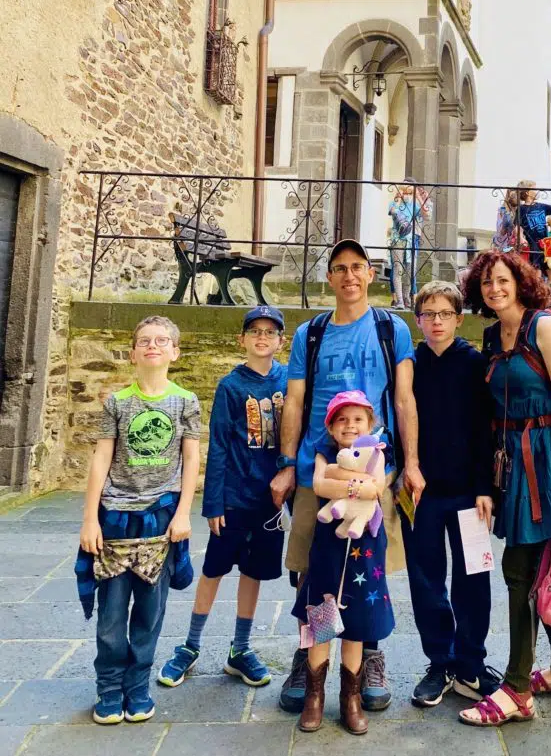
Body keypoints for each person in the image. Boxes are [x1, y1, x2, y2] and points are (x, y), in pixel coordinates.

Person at [271, 239, 423, 715]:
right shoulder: (310, 334)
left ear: (370, 273)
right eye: (340, 268)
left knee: (370, 571)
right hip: (317, 468)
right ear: (330, 277)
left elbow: (402, 399)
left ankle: (369, 654)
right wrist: (286, 462)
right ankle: (309, 656)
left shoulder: (390, 328)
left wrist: (411, 462)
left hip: (375, 468)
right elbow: (294, 402)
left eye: (357, 267)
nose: (349, 276)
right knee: (309, 570)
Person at [457, 252, 551, 728]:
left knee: (519, 569)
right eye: (487, 282)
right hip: (510, 461)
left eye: (503, 280)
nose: (495, 288)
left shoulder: (543, 326)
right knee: (541, 562)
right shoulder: (493, 336)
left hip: (547, 458)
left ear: (521, 282)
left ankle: (516, 689)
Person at [78, 316, 200, 725]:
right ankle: (109, 688)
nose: (153, 346)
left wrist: (184, 512)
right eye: (144, 341)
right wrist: (90, 519)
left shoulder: (186, 401)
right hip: (115, 518)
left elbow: (191, 460)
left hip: (160, 520)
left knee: (150, 612)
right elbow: (101, 459)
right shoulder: (116, 402)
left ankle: (137, 686)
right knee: (112, 613)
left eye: (161, 341)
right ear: (133, 352)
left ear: (174, 352)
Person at [158, 306, 287, 690]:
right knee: (214, 570)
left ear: (281, 340)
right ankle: (190, 645)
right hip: (233, 496)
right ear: (242, 339)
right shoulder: (231, 386)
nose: (262, 338)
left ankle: (241, 649)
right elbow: (218, 447)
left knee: (254, 572)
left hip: (272, 500)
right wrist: (213, 502)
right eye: (255, 331)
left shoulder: (289, 380)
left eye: (270, 332)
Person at [404, 280, 496, 709]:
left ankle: (470, 663)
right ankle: (439, 661)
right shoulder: (410, 364)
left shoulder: (475, 363)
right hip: (421, 492)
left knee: (474, 577)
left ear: (459, 319)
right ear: (418, 320)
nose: (436, 322)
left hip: (468, 493)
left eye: (444, 314)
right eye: (428, 314)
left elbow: (485, 430)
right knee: (426, 579)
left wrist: (484, 489)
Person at [292, 391, 394, 736]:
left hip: (364, 550)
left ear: (370, 424)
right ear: (332, 428)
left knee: (357, 623)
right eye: (342, 420)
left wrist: (348, 486)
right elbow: (319, 482)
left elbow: (376, 487)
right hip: (329, 549)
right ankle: (314, 695)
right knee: (323, 617)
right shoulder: (324, 451)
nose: (350, 425)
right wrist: (356, 484)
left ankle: (351, 696)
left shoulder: (377, 452)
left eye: (358, 419)